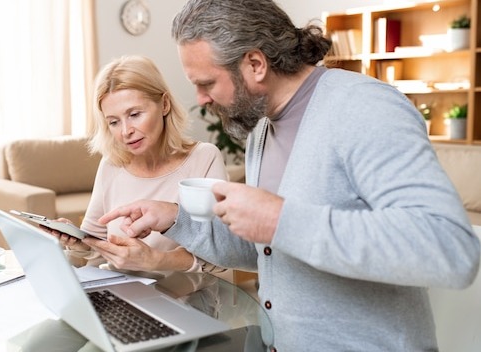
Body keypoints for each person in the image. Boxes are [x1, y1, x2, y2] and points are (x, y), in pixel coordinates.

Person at [92, 0, 481, 350]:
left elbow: (450, 249)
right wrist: (174, 217)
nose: (201, 100)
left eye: (206, 83)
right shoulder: (263, 129)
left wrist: (281, 218)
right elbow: (267, 247)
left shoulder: (365, 108)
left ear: (256, 64)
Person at [46, 55, 227, 274]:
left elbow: (221, 253)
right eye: (113, 122)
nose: (125, 131)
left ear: (165, 104)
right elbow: (95, 241)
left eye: (134, 114)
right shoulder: (112, 165)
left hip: (185, 298)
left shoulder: (204, 159)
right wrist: (77, 241)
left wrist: (156, 260)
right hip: (122, 295)